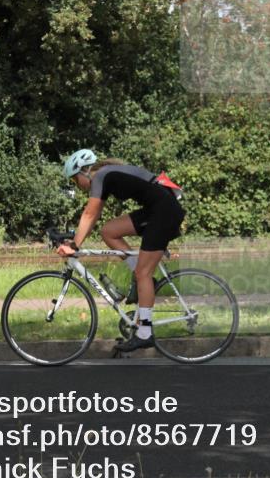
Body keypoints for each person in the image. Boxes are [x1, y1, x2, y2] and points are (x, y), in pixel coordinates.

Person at [57, 149, 186, 352]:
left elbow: (90, 213)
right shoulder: (106, 175)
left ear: (84, 172)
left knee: (144, 272)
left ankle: (145, 333)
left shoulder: (101, 175)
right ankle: (141, 276)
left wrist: (74, 246)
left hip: (164, 212)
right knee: (109, 231)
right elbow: (95, 217)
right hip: (158, 209)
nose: (77, 186)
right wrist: (75, 241)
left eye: (74, 181)